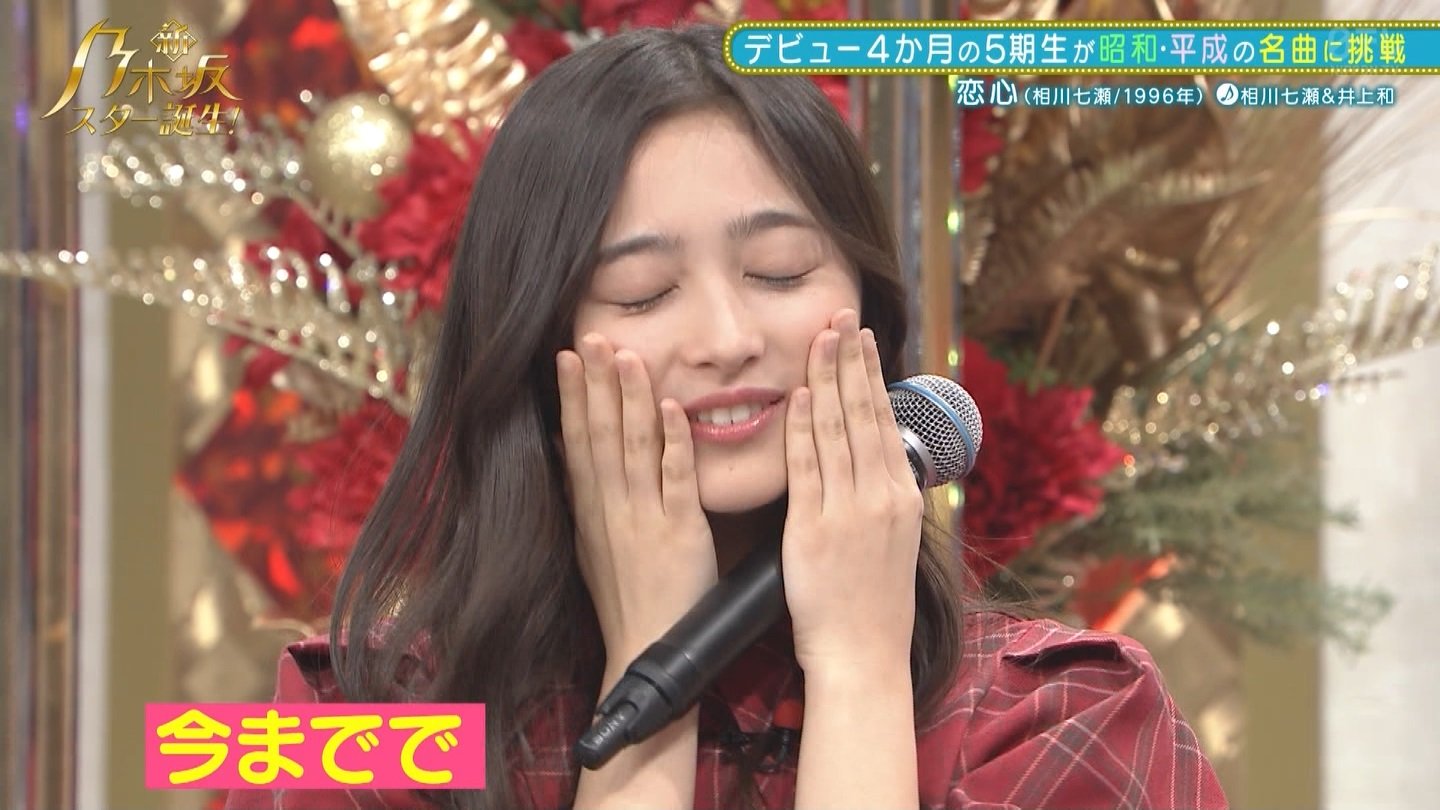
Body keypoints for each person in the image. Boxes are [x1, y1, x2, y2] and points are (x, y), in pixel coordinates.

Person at [225, 23, 1227, 810]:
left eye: (780, 272)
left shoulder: (1069, 717)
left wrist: (859, 671)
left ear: (870, 314)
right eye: (643, 292)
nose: (727, 336)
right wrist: (647, 686)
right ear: (534, 346)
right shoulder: (351, 723)